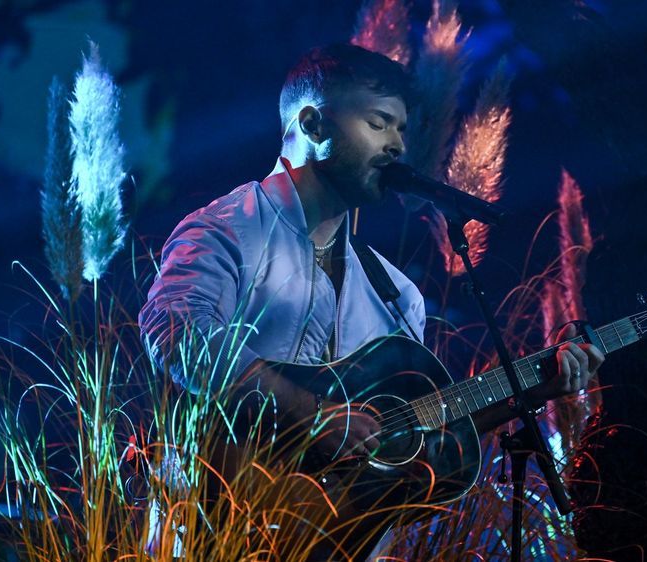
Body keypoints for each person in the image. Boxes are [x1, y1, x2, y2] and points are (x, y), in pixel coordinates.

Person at [138, 41, 603, 518]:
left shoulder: (397, 294)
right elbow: (176, 333)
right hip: (217, 522)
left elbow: (416, 429)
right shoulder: (224, 231)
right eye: (379, 123)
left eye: (401, 129)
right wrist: (313, 415)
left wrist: (528, 393)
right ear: (312, 124)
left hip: (341, 538)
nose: (398, 146)